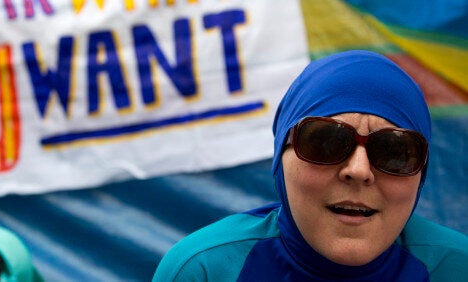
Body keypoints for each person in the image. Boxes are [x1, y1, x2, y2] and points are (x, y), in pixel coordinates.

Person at [152, 50, 468, 281]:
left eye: (395, 151)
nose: (358, 170)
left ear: (422, 172)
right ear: (280, 157)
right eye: (325, 142)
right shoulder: (204, 271)